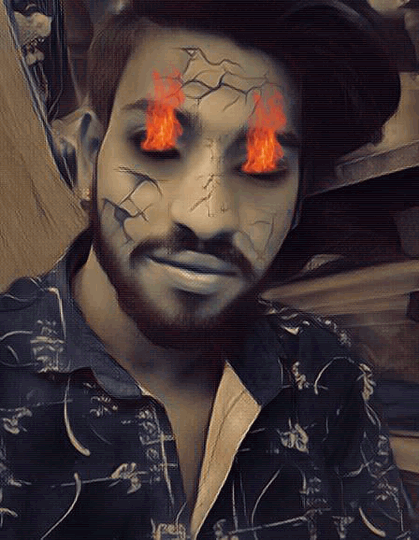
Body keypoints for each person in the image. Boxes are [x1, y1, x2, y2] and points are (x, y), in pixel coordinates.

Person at [0, 0, 412, 538]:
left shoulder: (325, 372)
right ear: (88, 158)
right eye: (156, 144)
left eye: (263, 164)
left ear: (296, 207)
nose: (207, 216)